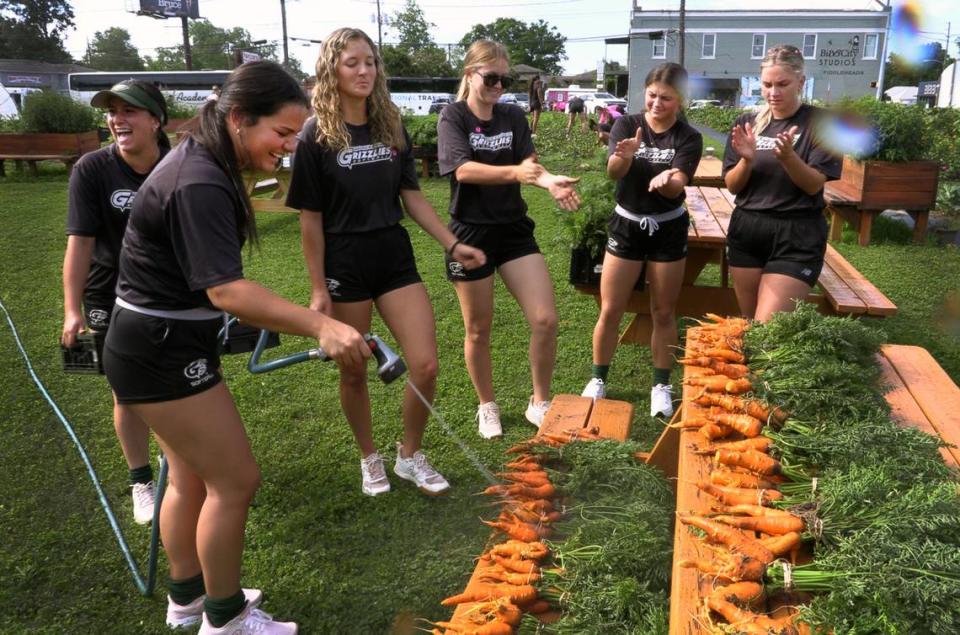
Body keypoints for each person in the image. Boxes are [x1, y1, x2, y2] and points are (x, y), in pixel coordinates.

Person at [103, 61, 371, 635]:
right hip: (161, 348)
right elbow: (225, 290)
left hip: (149, 341)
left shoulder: (206, 160)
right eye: (282, 132)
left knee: (190, 476)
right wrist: (321, 325)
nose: (291, 145)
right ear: (240, 119)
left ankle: (187, 600)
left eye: (296, 135)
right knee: (235, 480)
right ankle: (224, 621)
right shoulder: (198, 179)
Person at [286, 28, 486, 496]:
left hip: (392, 255)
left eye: (370, 62)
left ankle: (409, 455)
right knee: (353, 369)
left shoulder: (389, 123)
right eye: (352, 62)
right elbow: (310, 221)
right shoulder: (315, 134)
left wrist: (452, 244)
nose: (364, 71)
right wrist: (319, 289)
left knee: (426, 364)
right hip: (344, 261)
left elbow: (411, 196)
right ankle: (369, 457)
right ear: (332, 69)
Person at [438, 39, 581, 439]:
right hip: (471, 233)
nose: (499, 85)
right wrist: (515, 174)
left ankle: (539, 402)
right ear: (470, 74)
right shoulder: (453, 116)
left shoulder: (513, 116)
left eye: (505, 79)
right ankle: (487, 405)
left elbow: (529, 164)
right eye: (492, 78)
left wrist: (550, 182)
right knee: (479, 329)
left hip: (514, 230)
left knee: (545, 319)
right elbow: (462, 170)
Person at [62, 80, 170, 525]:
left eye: (129, 111)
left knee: (181, 382)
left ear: (155, 119)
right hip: (109, 292)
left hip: (171, 292)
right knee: (125, 391)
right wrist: (71, 309)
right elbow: (80, 243)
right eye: (112, 112)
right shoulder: (92, 169)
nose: (117, 120)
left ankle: (176, 464)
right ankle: (141, 481)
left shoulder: (180, 165)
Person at [581, 63, 702, 418]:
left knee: (663, 311)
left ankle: (661, 386)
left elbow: (680, 181)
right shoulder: (626, 125)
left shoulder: (688, 137)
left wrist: (669, 178)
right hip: (627, 224)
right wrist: (624, 154)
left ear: (679, 100)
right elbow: (613, 173)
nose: (656, 103)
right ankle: (598, 378)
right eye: (651, 95)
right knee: (611, 307)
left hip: (668, 226)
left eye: (666, 98)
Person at [722, 45, 841, 322]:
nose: (773, 93)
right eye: (767, 85)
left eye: (782, 84)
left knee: (767, 330)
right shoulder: (748, 122)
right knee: (750, 325)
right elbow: (732, 185)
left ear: (800, 82)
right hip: (748, 230)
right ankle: (750, 368)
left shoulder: (821, 123)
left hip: (796, 234)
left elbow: (813, 186)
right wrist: (747, 161)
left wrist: (788, 157)